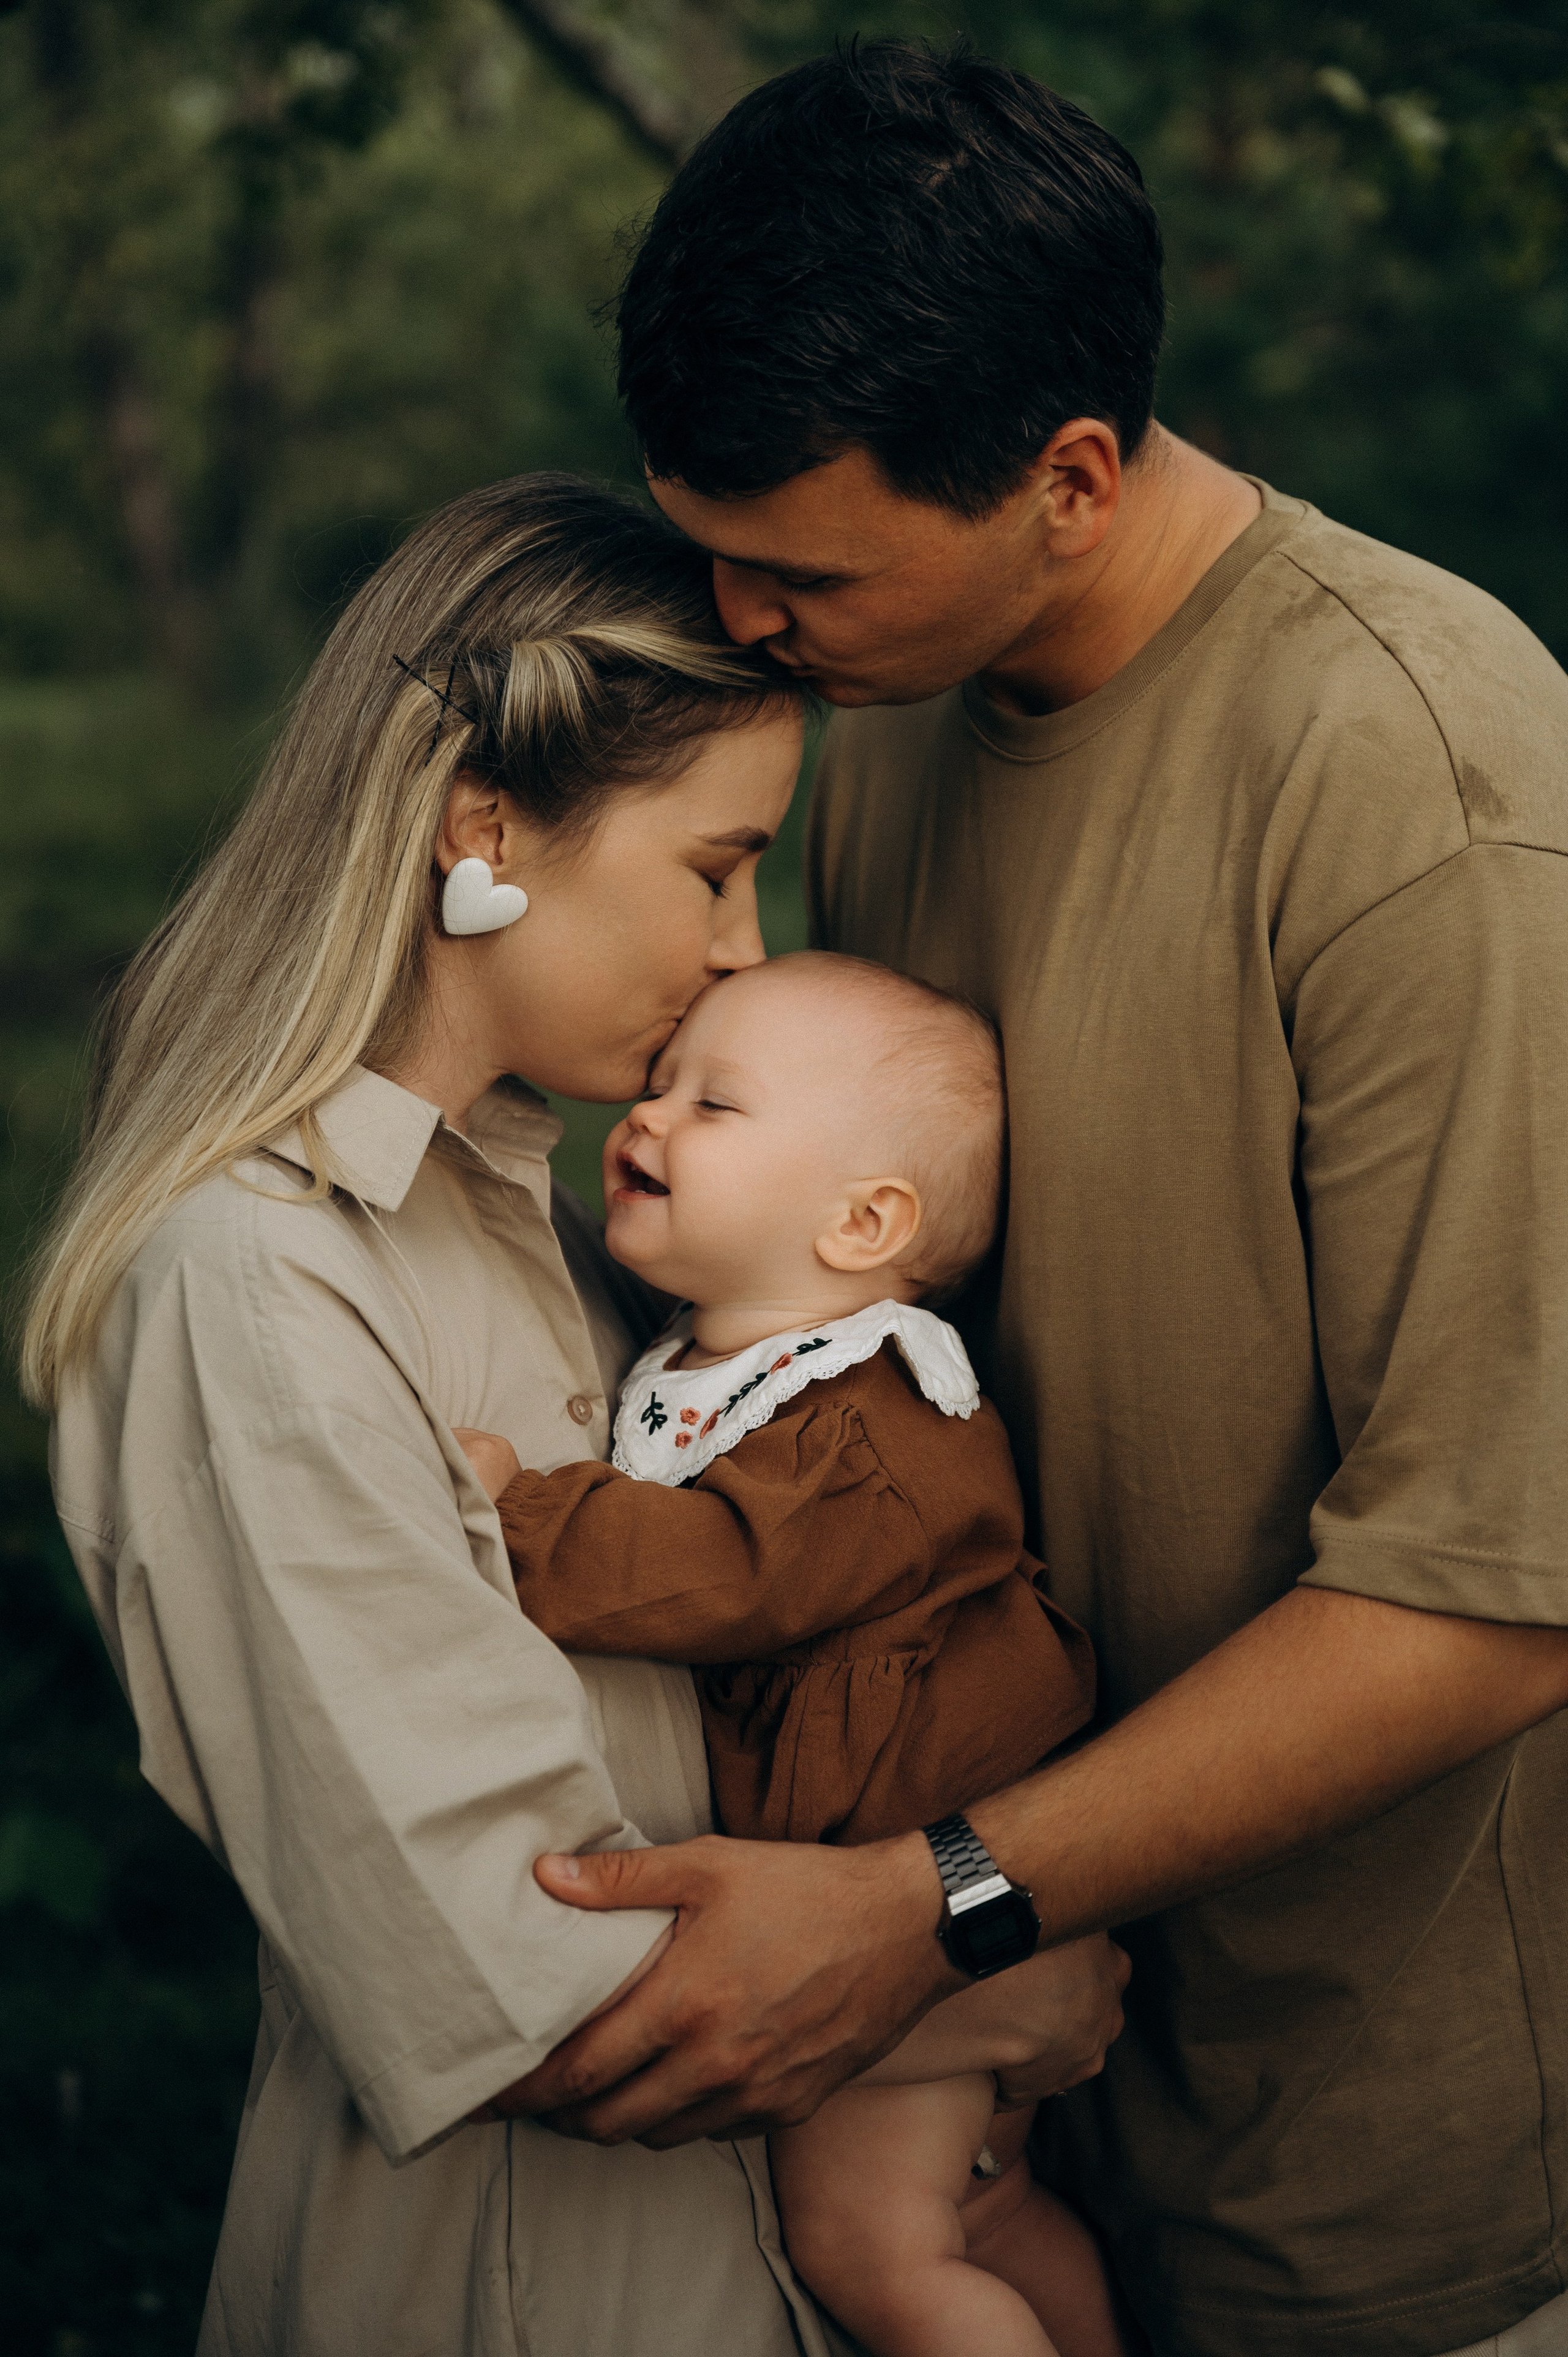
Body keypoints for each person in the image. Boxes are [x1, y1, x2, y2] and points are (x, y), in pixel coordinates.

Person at [493, 42, 1568, 2357]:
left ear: (1071, 476)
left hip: (1379, 2186)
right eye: (715, 551)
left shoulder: (1427, 782)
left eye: (799, 569)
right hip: (993, 2124)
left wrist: (934, 1897)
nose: (743, 621)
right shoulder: (886, 713)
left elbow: (1495, 1586)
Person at [21, 470, 1128, 2356]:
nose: (746, 947)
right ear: (484, 832)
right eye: (716, 866)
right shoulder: (257, 1289)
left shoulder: (538, 1225)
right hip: (512, 2290)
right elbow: (525, 1977)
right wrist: (984, 1961)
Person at [455, 950, 1125, 2357]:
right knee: (983, 2220)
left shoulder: (867, 1418)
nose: (647, 1116)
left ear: (860, 1220)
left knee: (875, 2249)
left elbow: (725, 1575)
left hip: (909, 1878)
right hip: (915, 1868)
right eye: (662, 1079)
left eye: (716, 1103)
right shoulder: (728, 1360)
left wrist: (519, 1512)